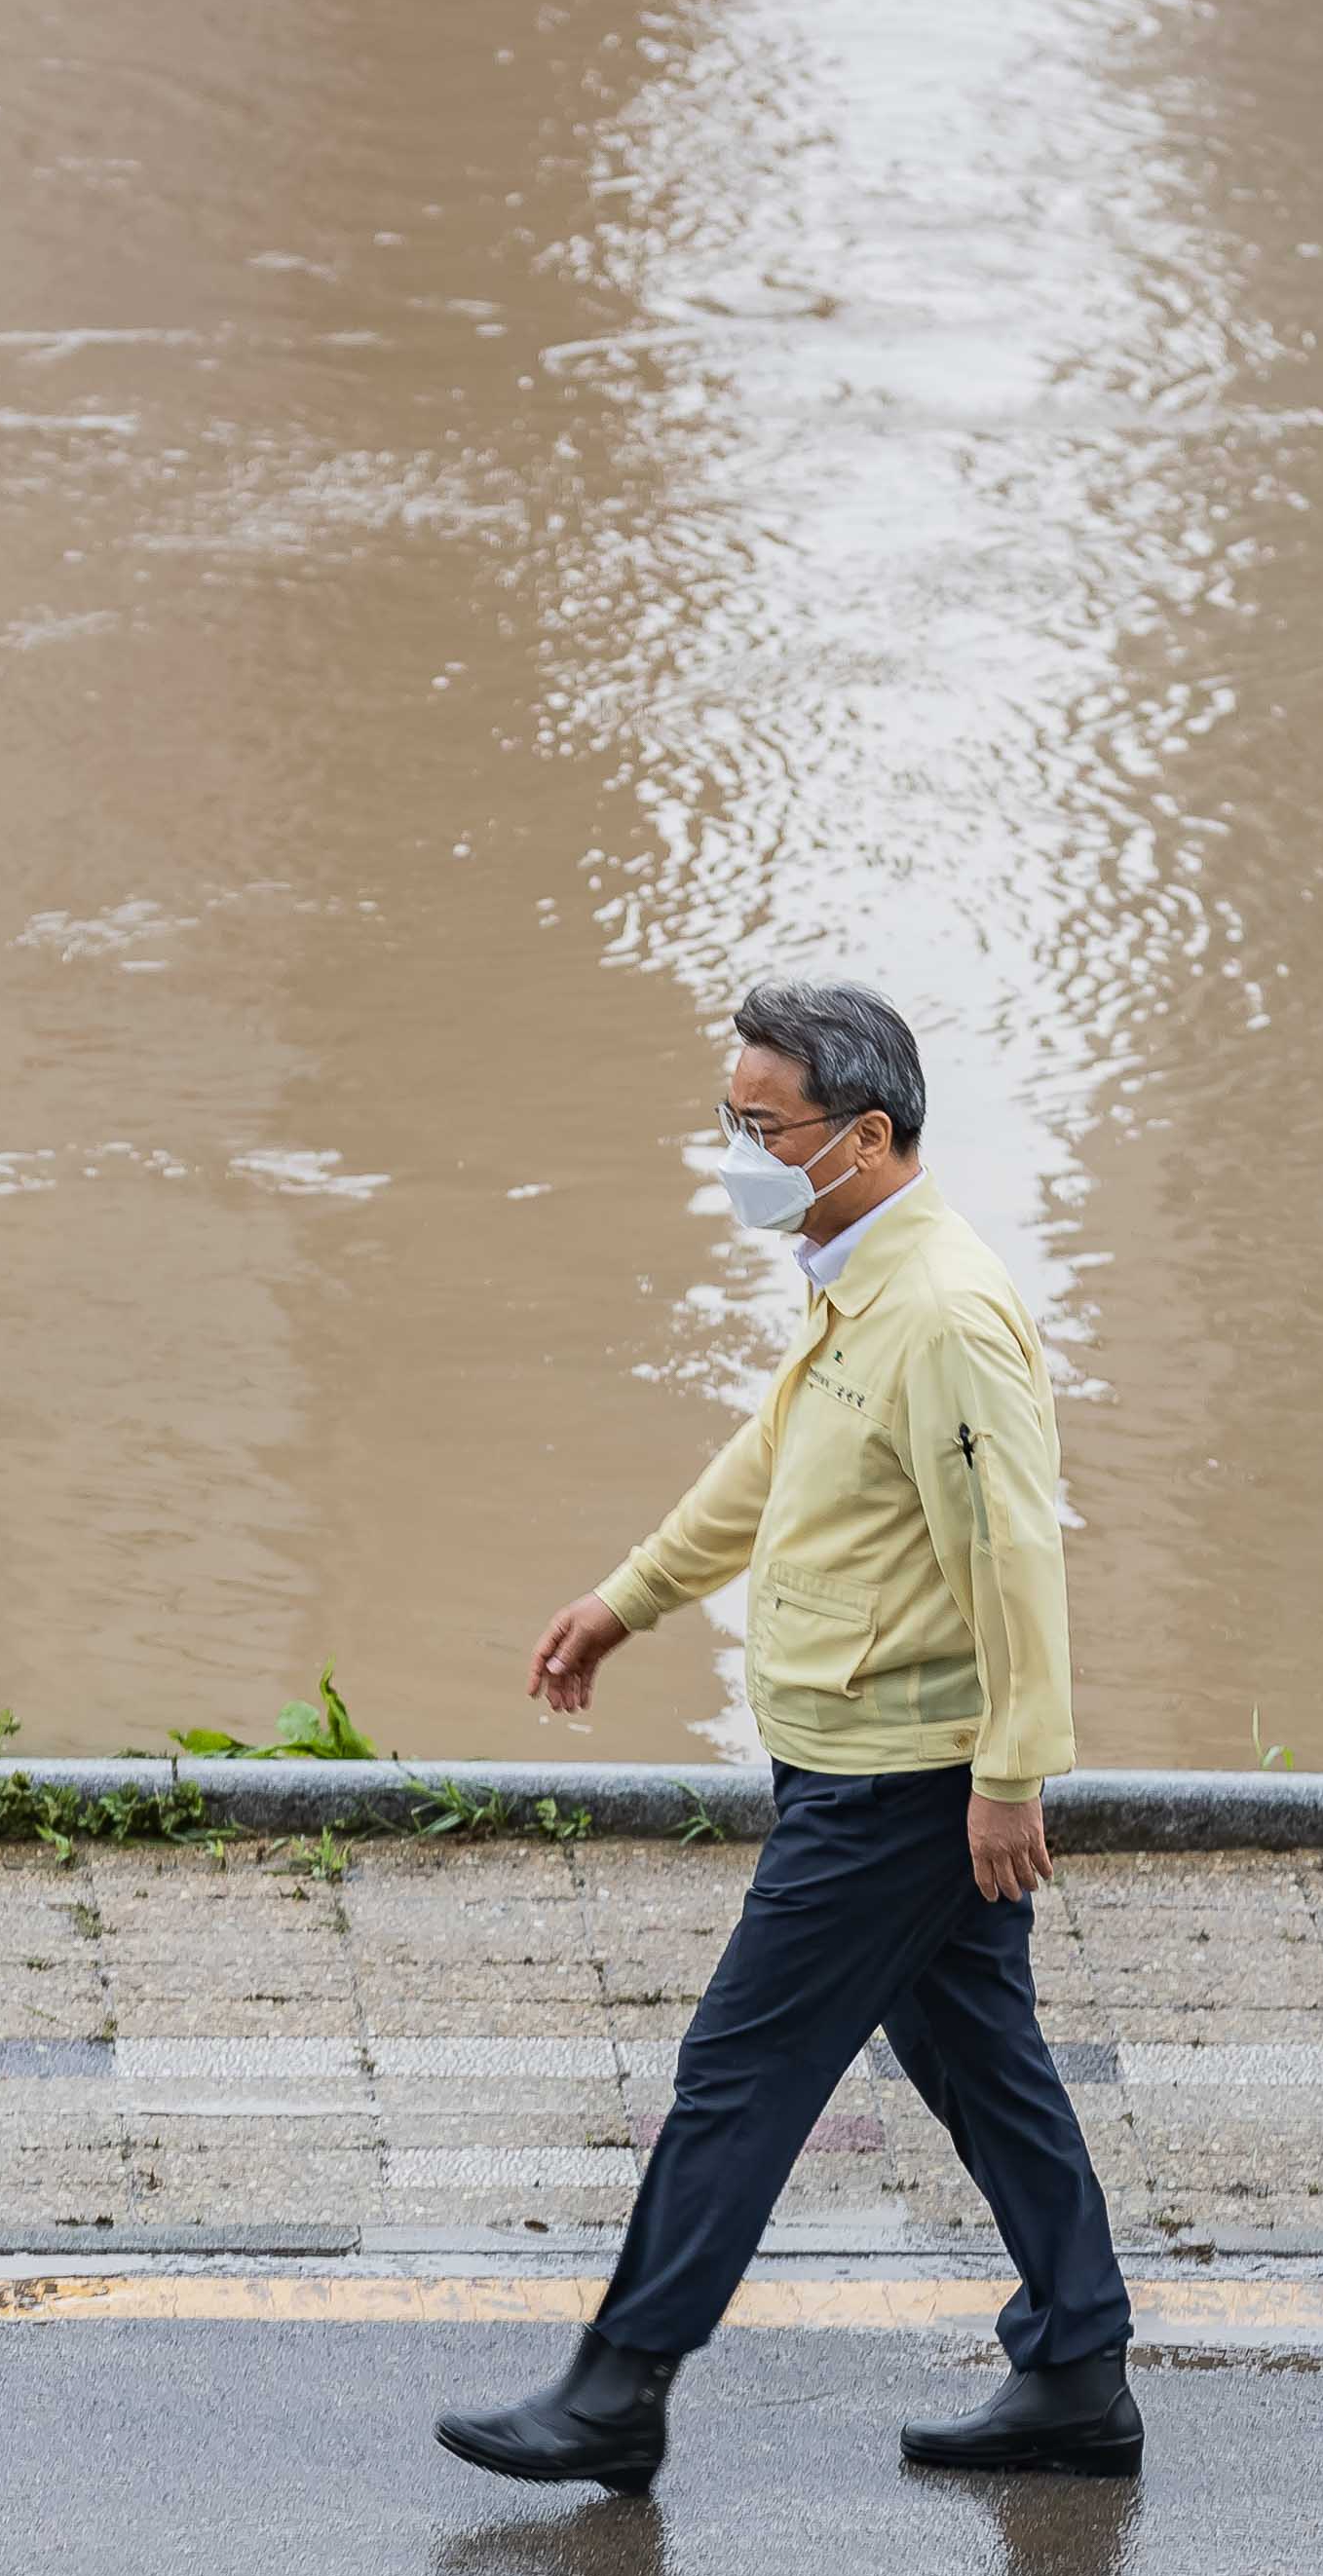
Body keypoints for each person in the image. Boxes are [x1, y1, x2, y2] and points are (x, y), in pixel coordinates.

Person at [439, 980, 1137, 2490]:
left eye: (765, 1128)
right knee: (981, 2060)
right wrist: (629, 1602)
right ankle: (1079, 2366)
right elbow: (769, 1467)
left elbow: (1016, 1557)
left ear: (866, 1135)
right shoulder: (853, 1284)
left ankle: (619, 2388)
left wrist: (1011, 1773)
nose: (738, 1155)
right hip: (862, 1760)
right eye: (730, 1121)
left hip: (903, 1779)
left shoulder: (942, 1315)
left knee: (738, 2072)